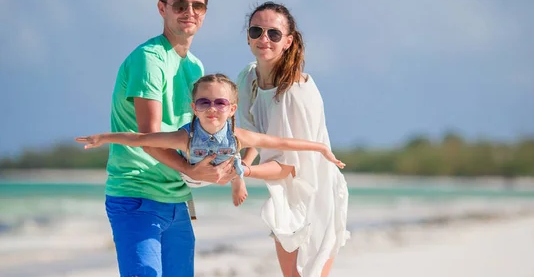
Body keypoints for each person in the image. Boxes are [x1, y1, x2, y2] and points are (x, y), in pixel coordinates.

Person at [104, 0, 238, 277]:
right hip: (136, 192)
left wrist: (223, 169)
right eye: (180, 4)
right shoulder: (149, 59)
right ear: (162, 8)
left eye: (197, 5)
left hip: (176, 197)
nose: (189, 12)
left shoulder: (195, 67)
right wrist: (192, 169)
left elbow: (203, 133)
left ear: (205, 12)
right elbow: (149, 135)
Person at [76, 73, 346, 207]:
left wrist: (321, 147)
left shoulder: (237, 134)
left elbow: (282, 142)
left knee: (272, 158)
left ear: (231, 108)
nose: (212, 108)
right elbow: (140, 138)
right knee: (154, 145)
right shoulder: (186, 137)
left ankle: (240, 174)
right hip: (193, 176)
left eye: (220, 102)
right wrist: (104, 137)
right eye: (204, 102)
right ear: (194, 108)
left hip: (228, 166)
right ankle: (238, 171)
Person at [236, 1, 350, 277]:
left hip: (316, 198)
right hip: (286, 199)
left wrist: (242, 172)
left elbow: (289, 167)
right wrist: (244, 161)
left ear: (288, 41)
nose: (264, 39)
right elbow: (254, 135)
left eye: (274, 33)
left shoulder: (296, 93)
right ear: (247, 37)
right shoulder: (248, 79)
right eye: (256, 30)